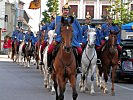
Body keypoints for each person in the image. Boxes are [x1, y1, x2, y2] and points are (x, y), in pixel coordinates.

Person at [47, 2, 82, 73]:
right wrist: (51, 32)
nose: (66, 12)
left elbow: (79, 30)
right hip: (59, 38)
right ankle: (49, 67)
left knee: (79, 50)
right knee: (50, 49)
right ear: (62, 11)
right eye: (65, 10)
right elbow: (50, 27)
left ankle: (78, 66)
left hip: (71, 40)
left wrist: (78, 40)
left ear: (69, 11)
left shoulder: (73, 19)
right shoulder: (57, 19)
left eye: (67, 10)